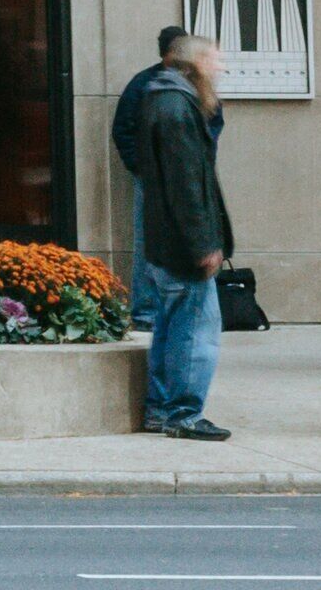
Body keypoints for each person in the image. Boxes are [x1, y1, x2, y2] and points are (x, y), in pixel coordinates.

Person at [136, 34, 235, 441]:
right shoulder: (177, 107)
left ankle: (160, 410)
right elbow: (186, 185)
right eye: (215, 60)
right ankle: (183, 414)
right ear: (195, 64)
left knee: (169, 326)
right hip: (181, 244)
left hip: (164, 240)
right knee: (195, 331)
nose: (221, 68)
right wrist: (203, 245)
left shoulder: (163, 99)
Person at [115, 25, 214, 263]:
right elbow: (123, 128)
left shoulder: (169, 86)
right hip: (158, 173)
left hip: (169, 172)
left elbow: (213, 124)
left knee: (152, 243)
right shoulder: (153, 87)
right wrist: (141, 167)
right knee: (150, 242)